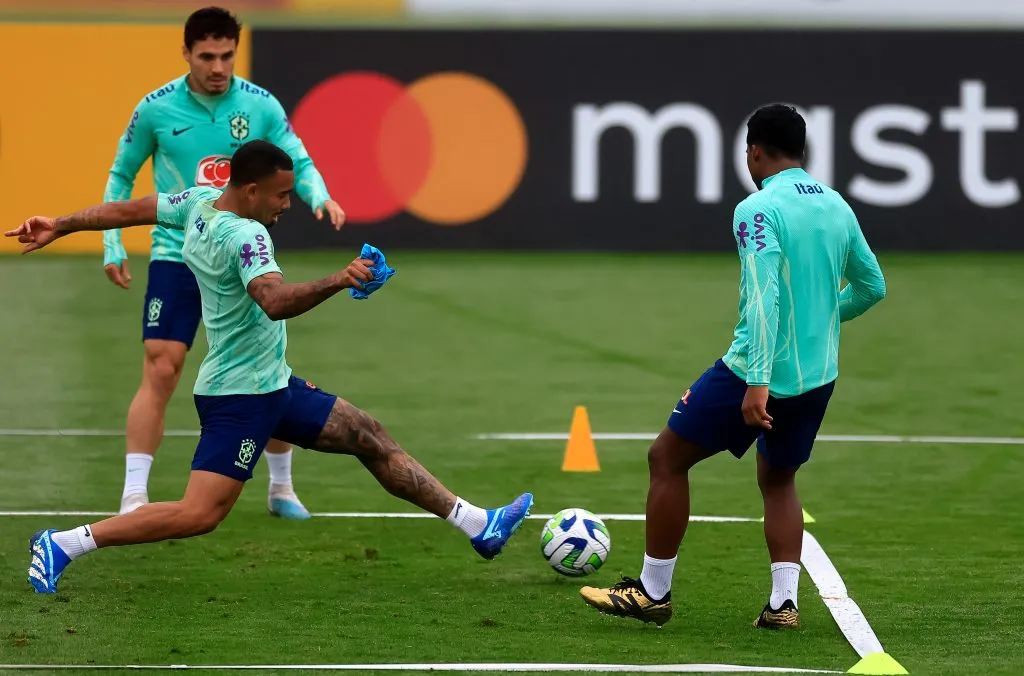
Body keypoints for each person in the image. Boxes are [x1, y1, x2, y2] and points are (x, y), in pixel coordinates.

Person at [12, 140, 534, 595]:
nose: (288, 204)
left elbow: (133, 209)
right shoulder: (245, 236)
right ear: (250, 190)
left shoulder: (197, 203)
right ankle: (64, 543)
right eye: (282, 195)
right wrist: (340, 279)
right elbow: (274, 300)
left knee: (367, 434)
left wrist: (60, 223)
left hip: (272, 385)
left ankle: (477, 524)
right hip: (240, 397)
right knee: (199, 514)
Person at [578, 104, 886, 629]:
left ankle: (652, 593)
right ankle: (783, 604)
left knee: (666, 458)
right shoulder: (836, 205)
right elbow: (872, 286)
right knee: (779, 480)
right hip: (817, 377)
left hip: (752, 372)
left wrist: (758, 381)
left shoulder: (757, 209)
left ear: (754, 151)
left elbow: (764, 300)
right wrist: (816, 322)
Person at [102, 6, 344, 519]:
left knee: (262, 367)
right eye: (207, 56)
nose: (218, 67)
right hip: (178, 253)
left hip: (239, 253)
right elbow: (122, 175)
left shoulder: (260, 105)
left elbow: (297, 157)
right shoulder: (155, 109)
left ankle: (281, 488)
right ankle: (134, 494)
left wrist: (318, 194)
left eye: (227, 56)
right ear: (186, 53)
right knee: (161, 364)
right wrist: (112, 243)